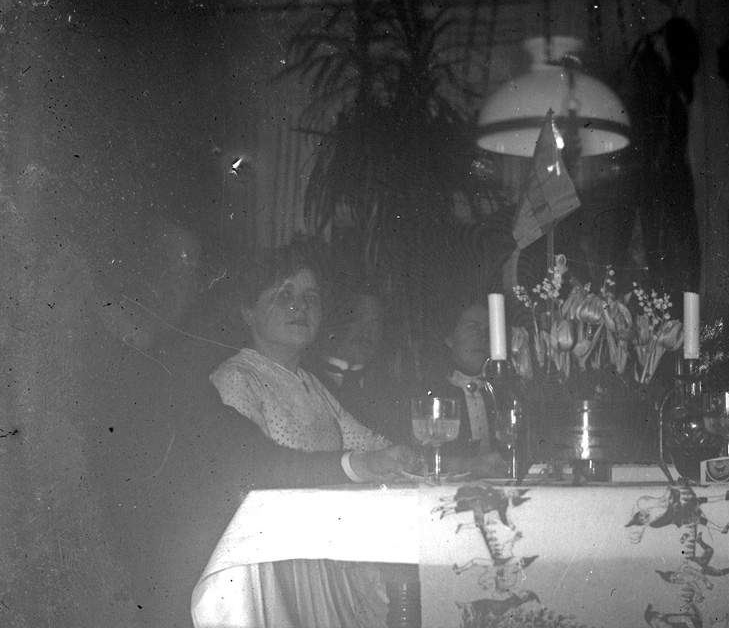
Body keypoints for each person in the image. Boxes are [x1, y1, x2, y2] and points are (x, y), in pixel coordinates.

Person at [154, 245, 416, 628]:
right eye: (284, 295)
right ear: (248, 313)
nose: (300, 307)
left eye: (311, 298)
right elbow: (248, 475)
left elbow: (372, 446)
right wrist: (362, 465)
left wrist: (451, 460)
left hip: (323, 558)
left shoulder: (312, 384)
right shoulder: (236, 378)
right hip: (272, 567)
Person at [415, 297, 509, 478]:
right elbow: (416, 458)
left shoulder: (504, 395)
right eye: (473, 327)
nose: (483, 336)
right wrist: (466, 466)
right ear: (450, 338)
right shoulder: (429, 394)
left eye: (489, 330)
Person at [307, 286, 408, 442]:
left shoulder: (392, 389)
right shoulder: (306, 379)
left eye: (375, 322)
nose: (365, 331)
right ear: (334, 322)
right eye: (355, 319)